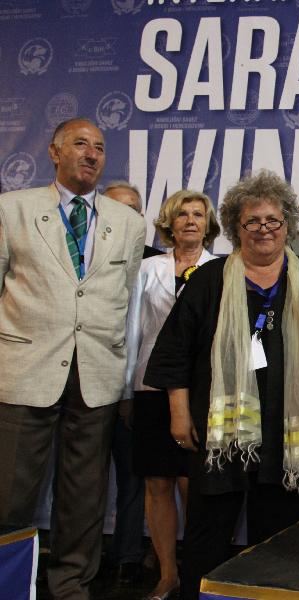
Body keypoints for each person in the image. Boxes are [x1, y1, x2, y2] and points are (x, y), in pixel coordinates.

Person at [143, 170, 299, 600]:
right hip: (219, 428)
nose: (264, 229)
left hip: (287, 429)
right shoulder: (209, 280)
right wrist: (178, 412)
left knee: (280, 533)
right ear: (235, 228)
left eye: (273, 220)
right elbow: (175, 350)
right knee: (208, 530)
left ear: (288, 225)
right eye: (252, 221)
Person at [0, 117, 145, 599]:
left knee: (84, 500)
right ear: (53, 152)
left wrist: (123, 383)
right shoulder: (12, 209)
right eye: (80, 144)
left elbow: (123, 304)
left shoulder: (128, 222)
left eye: (99, 148)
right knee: (10, 495)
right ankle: (9, 583)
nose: (91, 154)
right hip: (23, 374)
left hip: (96, 377)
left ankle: (69, 588)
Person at [125, 189, 220, 600]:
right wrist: (127, 388)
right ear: (169, 222)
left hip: (202, 393)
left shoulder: (222, 269)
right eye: (182, 214)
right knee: (157, 484)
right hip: (150, 388)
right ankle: (167, 574)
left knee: (192, 484)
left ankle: (198, 570)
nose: (190, 221)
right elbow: (133, 330)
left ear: (208, 224)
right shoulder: (149, 269)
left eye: (198, 214)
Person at [100, 180, 162, 585]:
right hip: (80, 382)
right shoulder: (85, 257)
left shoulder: (157, 263)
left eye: (134, 209)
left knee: (134, 480)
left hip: (133, 389)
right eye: (118, 207)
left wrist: (128, 393)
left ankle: (129, 556)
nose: (127, 216)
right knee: (81, 483)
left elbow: (141, 333)